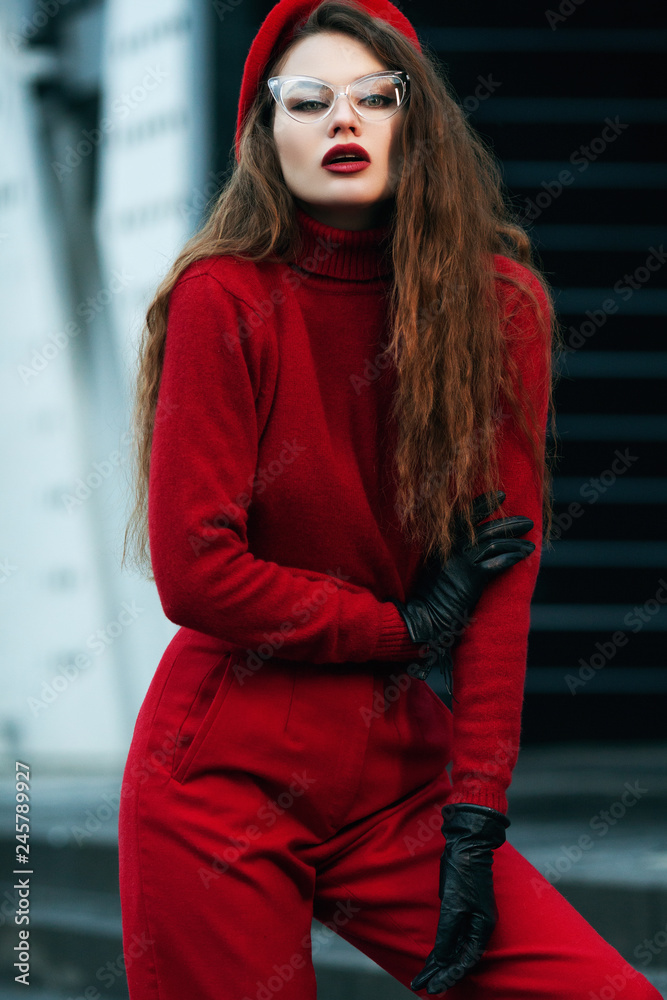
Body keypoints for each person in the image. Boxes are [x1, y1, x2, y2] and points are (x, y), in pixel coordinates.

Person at [118, 1, 661, 998]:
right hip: (218, 777)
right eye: (309, 100)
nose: (343, 122)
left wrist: (473, 822)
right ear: (262, 131)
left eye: (377, 97)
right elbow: (196, 571)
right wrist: (399, 624)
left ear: (420, 122)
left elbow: (500, 581)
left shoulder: (499, 309)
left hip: (393, 775)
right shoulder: (224, 299)